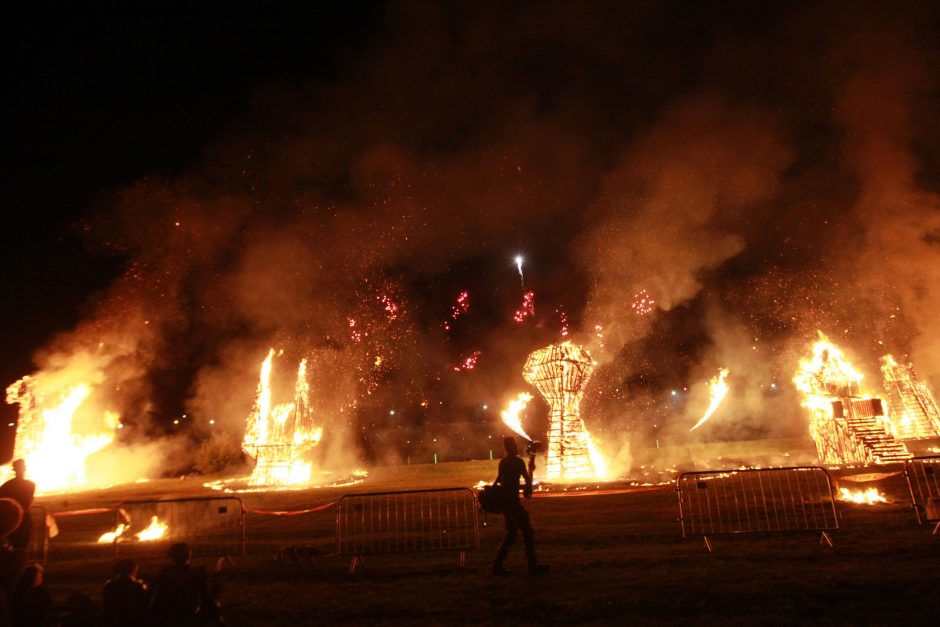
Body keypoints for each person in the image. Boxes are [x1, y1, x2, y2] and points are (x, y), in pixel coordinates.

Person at [491, 436, 549, 576]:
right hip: (513, 503)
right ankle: (532, 566)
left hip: (506, 502)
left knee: (512, 534)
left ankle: (497, 565)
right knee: (527, 532)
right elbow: (528, 485)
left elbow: (506, 482)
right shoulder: (517, 462)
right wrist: (531, 462)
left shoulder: (503, 462)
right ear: (514, 447)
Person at [150, 543, 223, 626]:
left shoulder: (165, 573)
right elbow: (205, 595)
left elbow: (159, 597)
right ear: (189, 554)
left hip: (171, 616)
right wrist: (217, 618)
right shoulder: (197, 572)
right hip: (191, 615)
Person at [0, 461, 35, 557]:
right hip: (20, 520)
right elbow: (28, 502)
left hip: (10, 520)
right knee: (21, 547)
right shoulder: (30, 485)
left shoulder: (7, 485)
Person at [102, 558, 151, 627]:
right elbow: (144, 604)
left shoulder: (109, 585)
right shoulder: (137, 587)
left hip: (112, 620)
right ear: (133, 570)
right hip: (131, 621)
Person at [11, 563, 52, 627]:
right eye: (36, 578)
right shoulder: (22, 591)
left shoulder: (43, 591)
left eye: (40, 577)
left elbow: (46, 608)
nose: (39, 579)